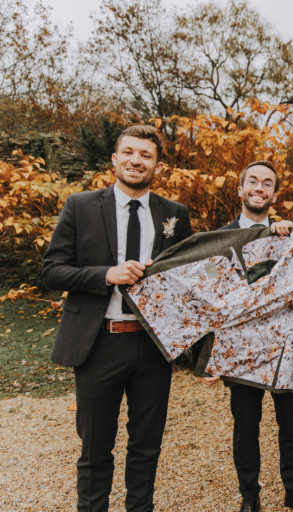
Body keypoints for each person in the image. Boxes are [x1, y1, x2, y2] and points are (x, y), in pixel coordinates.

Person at [41, 125, 194, 511]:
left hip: (152, 347)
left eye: (146, 155)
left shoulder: (175, 214)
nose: (136, 161)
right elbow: (52, 271)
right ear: (114, 158)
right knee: (95, 447)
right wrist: (107, 274)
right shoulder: (80, 206)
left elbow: (190, 282)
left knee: (147, 445)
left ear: (158, 166)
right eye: (129, 152)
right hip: (99, 342)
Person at [196, 160, 293, 512]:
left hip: (284, 348)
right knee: (246, 426)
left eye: (267, 183)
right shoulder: (218, 239)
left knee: (291, 423)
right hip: (240, 350)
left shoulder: (288, 237)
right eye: (253, 181)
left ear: (275, 195)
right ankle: (249, 496)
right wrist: (208, 356)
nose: (259, 188)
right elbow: (208, 300)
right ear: (240, 189)